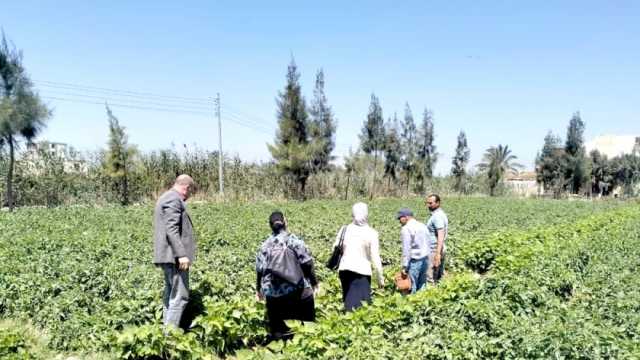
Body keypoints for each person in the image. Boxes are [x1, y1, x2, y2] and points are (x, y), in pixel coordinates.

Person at [256, 211, 319, 340]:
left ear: (270, 225)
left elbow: (259, 270)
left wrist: (258, 290)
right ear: (285, 222)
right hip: (298, 291)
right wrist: (314, 283)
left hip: (274, 295)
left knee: (279, 331)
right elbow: (307, 263)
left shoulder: (265, 246)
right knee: (306, 329)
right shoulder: (294, 240)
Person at [153, 174, 196, 328]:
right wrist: (182, 254)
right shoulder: (173, 199)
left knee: (171, 295)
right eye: (190, 192)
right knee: (180, 296)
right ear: (187, 188)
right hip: (174, 257)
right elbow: (171, 229)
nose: (189, 196)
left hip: (170, 257)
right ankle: (170, 338)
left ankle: (166, 334)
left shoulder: (166, 197)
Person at [333, 202, 384, 312]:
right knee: (361, 304)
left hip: (344, 270)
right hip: (362, 271)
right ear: (366, 214)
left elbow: (336, 247)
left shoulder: (344, 229)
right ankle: (351, 325)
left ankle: (346, 321)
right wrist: (380, 278)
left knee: (348, 298)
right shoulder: (372, 233)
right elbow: (375, 257)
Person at [397, 207, 430, 293]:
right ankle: (421, 303)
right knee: (422, 284)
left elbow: (406, 249)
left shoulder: (406, 228)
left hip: (414, 261)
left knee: (412, 286)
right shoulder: (422, 225)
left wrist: (404, 266)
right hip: (425, 259)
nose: (399, 221)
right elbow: (428, 242)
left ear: (406, 217)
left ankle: (412, 304)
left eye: (400, 218)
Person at [425, 194, 448, 284]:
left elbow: (440, 234)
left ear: (438, 203)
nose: (428, 205)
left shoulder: (437, 216)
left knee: (430, 278)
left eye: (430, 203)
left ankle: (431, 295)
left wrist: (437, 254)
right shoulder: (440, 214)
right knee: (438, 276)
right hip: (439, 247)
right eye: (427, 203)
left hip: (434, 249)